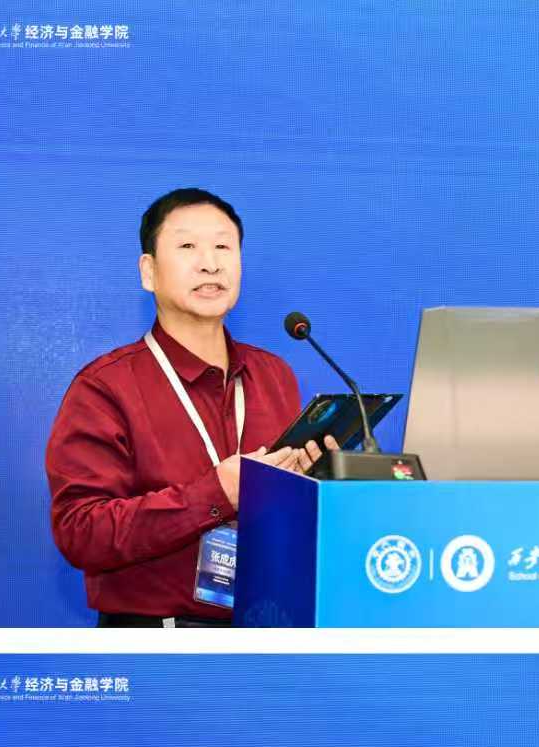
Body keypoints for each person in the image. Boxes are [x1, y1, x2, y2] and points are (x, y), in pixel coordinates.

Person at [45, 188, 337, 626]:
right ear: (148, 271)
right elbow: (81, 531)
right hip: (156, 643)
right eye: (187, 246)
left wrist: (312, 483)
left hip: (271, 631)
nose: (210, 263)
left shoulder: (274, 374)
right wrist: (217, 493)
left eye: (223, 247)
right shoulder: (106, 387)